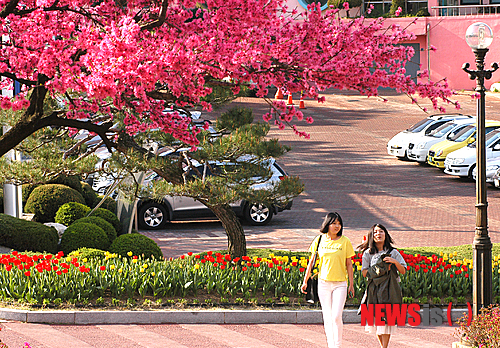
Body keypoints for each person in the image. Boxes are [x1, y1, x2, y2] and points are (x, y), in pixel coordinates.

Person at [301, 212, 355, 348]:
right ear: (327, 224)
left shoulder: (345, 241)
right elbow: (312, 261)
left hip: (340, 284)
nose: (337, 226)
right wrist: (305, 280)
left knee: (336, 315)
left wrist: (351, 284)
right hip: (323, 283)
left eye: (339, 223)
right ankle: (331, 345)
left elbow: (349, 264)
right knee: (327, 315)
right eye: (334, 223)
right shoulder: (319, 240)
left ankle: (337, 345)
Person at [358, 224, 407, 348]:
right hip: (374, 289)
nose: (378, 234)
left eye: (381, 231)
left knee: (387, 320)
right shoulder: (368, 253)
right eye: (375, 232)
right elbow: (364, 273)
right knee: (376, 321)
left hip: (390, 289)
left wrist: (394, 262)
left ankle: (384, 346)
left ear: (386, 234)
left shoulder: (393, 252)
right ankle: (383, 346)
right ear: (371, 236)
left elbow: (403, 270)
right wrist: (379, 269)